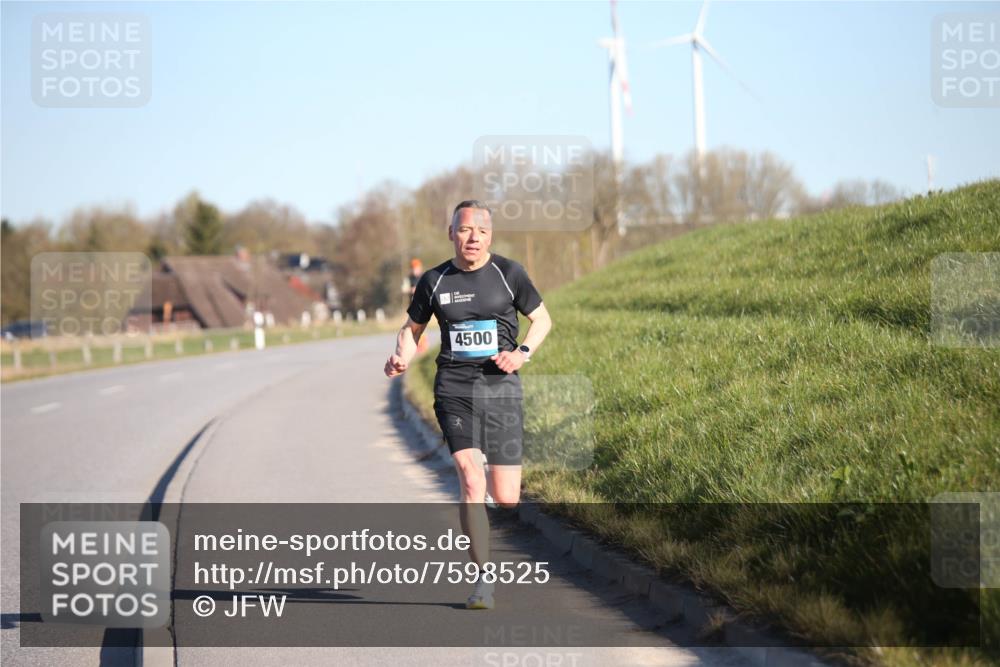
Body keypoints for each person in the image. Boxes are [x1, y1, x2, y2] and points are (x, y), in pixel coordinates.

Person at [383, 200, 552, 609]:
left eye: (482, 231)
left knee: (507, 498)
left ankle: (494, 482)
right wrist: (402, 354)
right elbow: (412, 328)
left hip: (500, 388)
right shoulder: (435, 280)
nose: (473, 237)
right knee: (470, 479)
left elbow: (543, 320)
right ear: (451, 234)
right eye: (464, 229)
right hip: (454, 388)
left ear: (490, 236)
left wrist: (522, 353)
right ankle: (483, 579)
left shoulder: (509, 274)